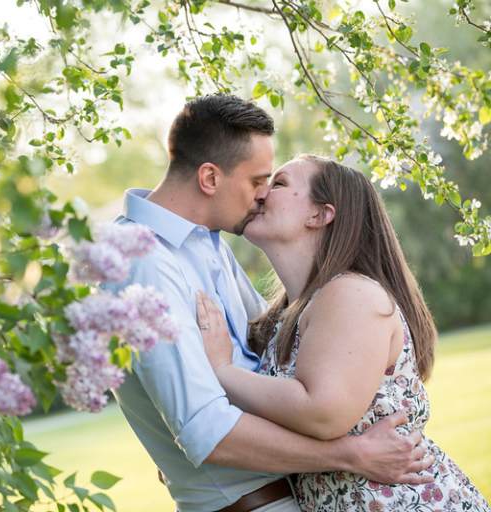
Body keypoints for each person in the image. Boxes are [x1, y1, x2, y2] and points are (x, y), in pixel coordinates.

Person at [106, 94, 433, 512]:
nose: (262, 196)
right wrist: (350, 455)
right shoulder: (143, 262)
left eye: (273, 183)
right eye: (259, 180)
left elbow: (280, 351)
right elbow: (204, 429)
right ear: (210, 179)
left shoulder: (207, 245)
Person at [197, 154, 491, 511]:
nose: (259, 194)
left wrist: (222, 371)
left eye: (278, 183)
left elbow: (322, 413)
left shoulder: (350, 293)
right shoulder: (291, 313)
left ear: (320, 214)